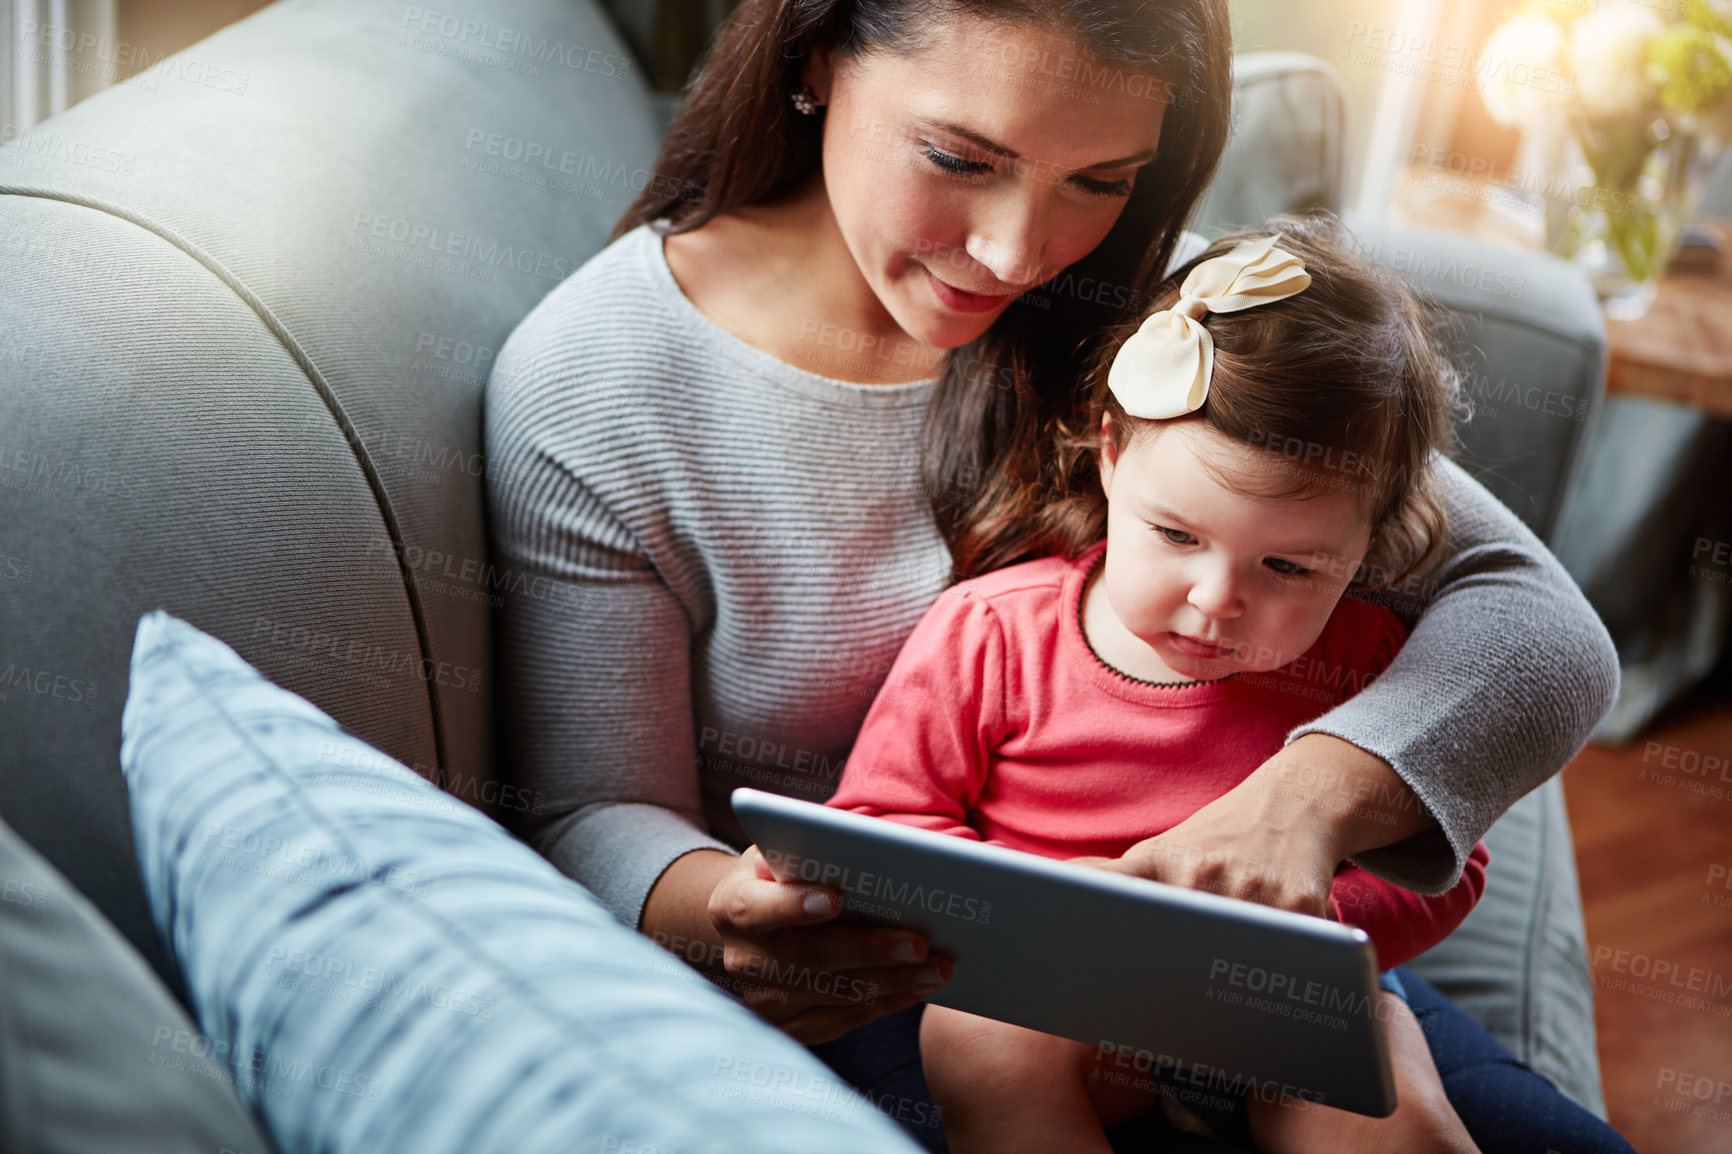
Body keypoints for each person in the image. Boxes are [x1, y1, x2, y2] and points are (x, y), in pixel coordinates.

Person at [481, 0, 1625, 1148]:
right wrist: (724, 915)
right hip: (910, 993)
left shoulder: (1174, 325)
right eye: (959, 158)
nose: (1020, 254)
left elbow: (1539, 626)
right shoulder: (598, 382)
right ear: (816, 56)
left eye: (1101, 178)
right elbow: (592, 805)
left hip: (1259, 964)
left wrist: (1297, 811)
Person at [824, 219, 1493, 1153]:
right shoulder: (993, 634)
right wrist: (1051, 907)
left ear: (1371, 539)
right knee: (978, 1037)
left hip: (1278, 1004)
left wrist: (1307, 927)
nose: (1218, 602)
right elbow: (882, 833)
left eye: (1291, 569)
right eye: (1176, 536)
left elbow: (1448, 866)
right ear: (1109, 452)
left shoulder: (1371, 662)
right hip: (1051, 995)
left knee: (1394, 1099)